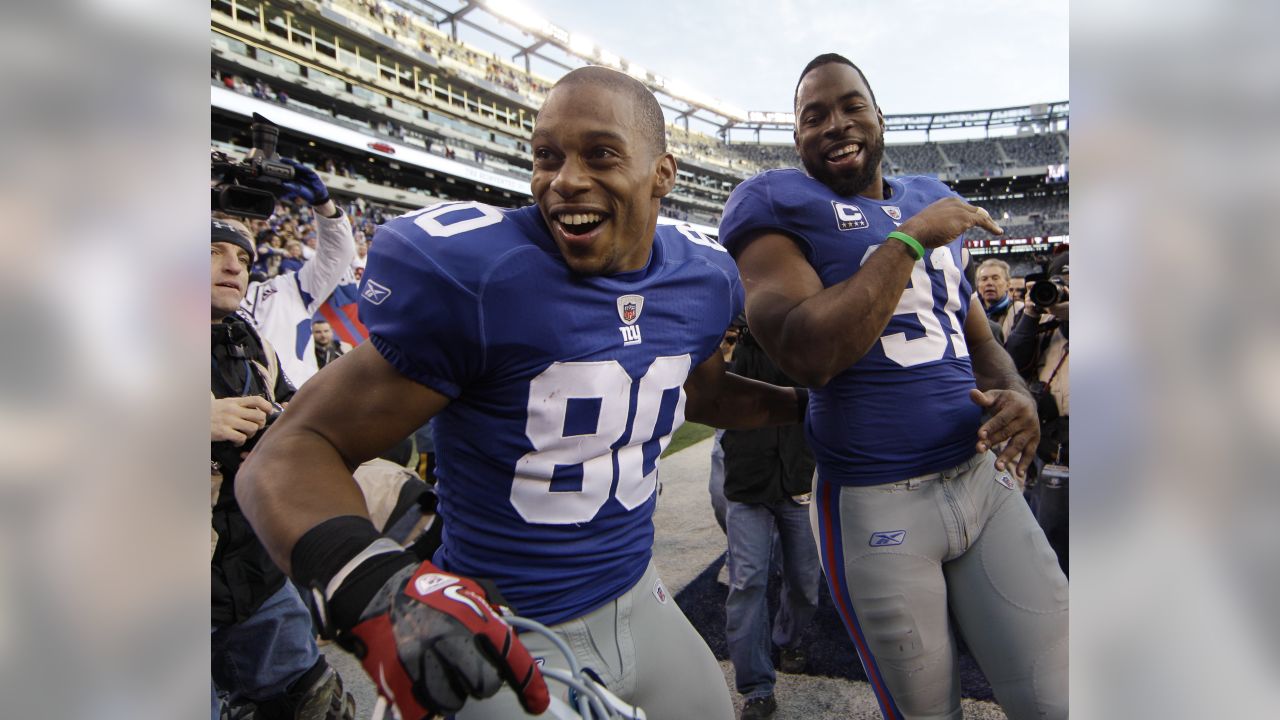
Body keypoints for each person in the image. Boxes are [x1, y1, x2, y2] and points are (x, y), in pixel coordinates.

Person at [237, 66, 808, 720]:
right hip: (503, 627)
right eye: (546, 156)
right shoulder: (484, 279)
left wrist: (802, 410)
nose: (564, 179)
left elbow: (700, 396)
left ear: (663, 175)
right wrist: (378, 589)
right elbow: (288, 452)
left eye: (600, 154)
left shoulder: (704, 278)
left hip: (638, 597)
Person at [718, 54, 1068, 720]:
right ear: (796, 140)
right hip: (878, 501)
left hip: (980, 478)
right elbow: (810, 353)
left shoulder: (927, 193)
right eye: (812, 115)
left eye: (852, 106)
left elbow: (978, 339)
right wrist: (906, 241)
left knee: (1059, 693)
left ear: (879, 117)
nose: (835, 124)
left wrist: (1017, 394)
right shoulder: (775, 204)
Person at [209, 219, 355, 720]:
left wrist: (280, 437)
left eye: (244, 259)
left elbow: (300, 417)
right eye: (214, 252)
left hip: (254, 574)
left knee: (315, 705)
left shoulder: (251, 344)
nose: (233, 266)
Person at [720, 323, 821, 720]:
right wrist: (726, 343)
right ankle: (757, 688)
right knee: (746, 582)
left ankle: (787, 637)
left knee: (805, 584)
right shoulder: (730, 339)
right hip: (747, 481)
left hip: (798, 475)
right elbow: (709, 388)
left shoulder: (804, 334)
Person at [237, 158, 355, 388]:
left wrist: (324, 205)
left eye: (241, 248)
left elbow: (337, 255)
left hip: (296, 416)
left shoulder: (287, 289)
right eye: (215, 249)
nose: (232, 261)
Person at [1006, 251, 1069, 574]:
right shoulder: (1042, 321)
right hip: (1051, 448)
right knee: (1049, 542)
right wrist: (1031, 313)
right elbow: (1013, 361)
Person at [975, 258, 1024, 342]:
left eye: (995, 278)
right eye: (984, 279)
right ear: (978, 286)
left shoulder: (1019, 311)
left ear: (1008, 285)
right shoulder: (972, 313)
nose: (989, 283)